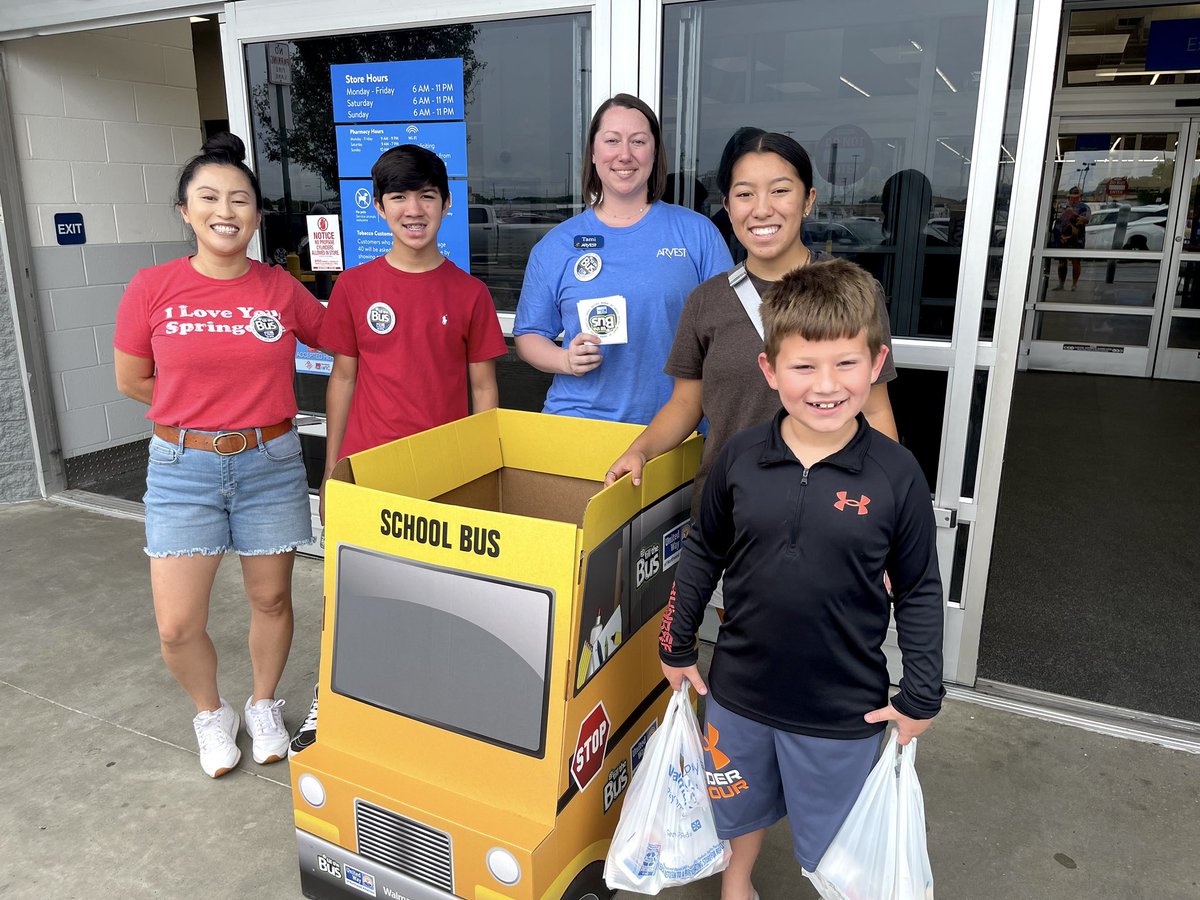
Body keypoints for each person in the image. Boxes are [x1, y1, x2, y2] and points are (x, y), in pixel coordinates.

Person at [658, 258, 944, 899]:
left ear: (877, 365)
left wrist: (922, 691)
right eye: (803, 366)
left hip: (842, 706)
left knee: (835, 842)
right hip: (738, 694)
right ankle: (738, 884)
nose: (825, 385)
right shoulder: (740, 457)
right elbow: (704, 548)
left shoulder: (896, 475)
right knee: (737, 807)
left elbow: (920, 587)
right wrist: (677, 642)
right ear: (770, 369)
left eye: (846, 364)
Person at [113, 133, 325, 778]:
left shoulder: (280, 290)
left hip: (271, 463)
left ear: (257, 214)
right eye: (208, 197)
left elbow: (344, 346)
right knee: (177, 625)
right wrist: (198, 413)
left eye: (240, 199)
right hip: (183, 470)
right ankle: (212, 712)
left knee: (272, 601)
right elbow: (133, 380)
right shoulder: (153, 287)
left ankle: (263, 703)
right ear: (185, 210)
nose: (224, 209)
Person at [287, 144, 507, 757]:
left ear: (445, 204)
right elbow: (343, 379)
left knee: (436, 597)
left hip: (442, 479)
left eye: (427, 196)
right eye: (399, 197)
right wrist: (334, 472)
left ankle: (419, 702)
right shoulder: (356, 287)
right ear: (380, 208)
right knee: (351, 593)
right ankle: (328, 702)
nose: (414, 209)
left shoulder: (468, 294)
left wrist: (483, 475)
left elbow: (484, 388)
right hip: (369, 472)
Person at [606, 131, 898, 519]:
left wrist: (886, 510)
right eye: (745, 194)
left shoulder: (854, 293)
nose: (762, 209)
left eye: (780, 191)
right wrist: (639, 451)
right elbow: (685, 403)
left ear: (808, 200)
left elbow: (876, 412)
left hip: (829, 516)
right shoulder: (706, 302)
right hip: (728, 516)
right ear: (727, 206)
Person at [513, 94, 732, 424]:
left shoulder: (696, 233)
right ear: (594, 152)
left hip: (674, 430)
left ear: (655, 152)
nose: (625, 155)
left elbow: (729, 328)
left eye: (638, 141)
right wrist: (564, 360)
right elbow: (529, 335)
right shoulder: (556, 245)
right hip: (579, 424)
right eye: (612, 140)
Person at [1052, 186, 1090, 290]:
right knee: (1062, 261)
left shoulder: (1084, 207)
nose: (1073, 199)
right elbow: (1058, 220)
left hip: (1076, 238)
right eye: (1071, 197)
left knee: (1075, 261)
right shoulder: (1064, 206)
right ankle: (1061, 284)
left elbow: (1086, 220)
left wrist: (1074, 214)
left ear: (1079, 197)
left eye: (1076, 197)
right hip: (1062, 237)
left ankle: (1074, 284)